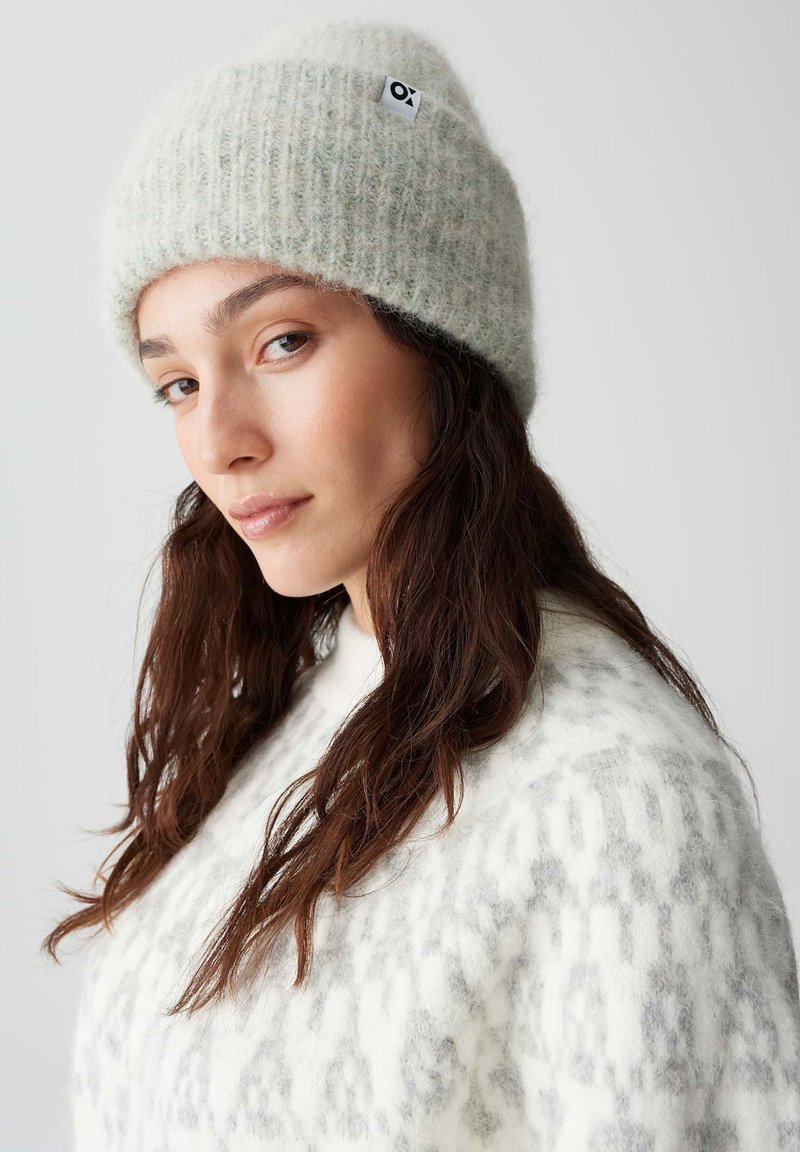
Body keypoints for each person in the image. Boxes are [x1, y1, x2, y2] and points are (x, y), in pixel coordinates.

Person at [42, 14, 800, 1151]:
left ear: (444, 345)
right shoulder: (294, 719)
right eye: (179, 383)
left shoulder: (616, 795)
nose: (220, 442)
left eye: (282, 342)